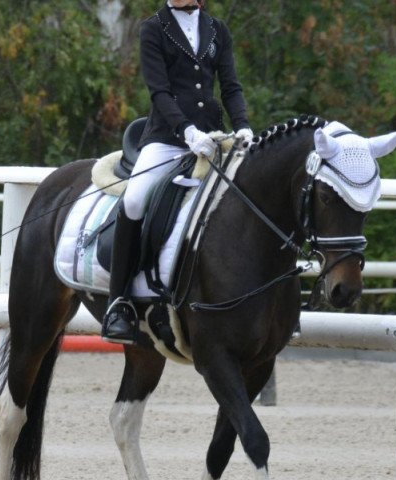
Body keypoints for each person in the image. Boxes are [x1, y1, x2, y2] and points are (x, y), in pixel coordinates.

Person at [102, 0, 254, 343]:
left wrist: (242, 126)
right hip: (168, 139)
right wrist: (186, 131)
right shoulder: (153, 28)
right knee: (135, 201)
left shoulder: (217, 30)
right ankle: (119, 302)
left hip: (214, 139)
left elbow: (230, 86)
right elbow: (159, 91)